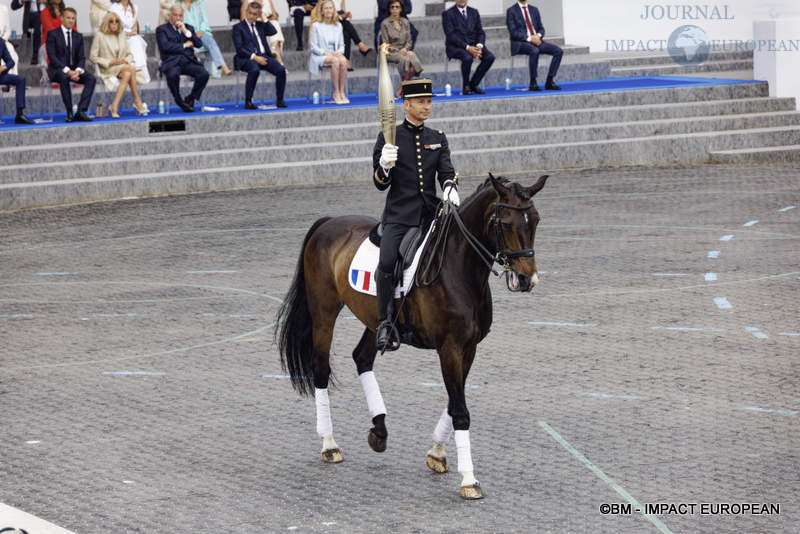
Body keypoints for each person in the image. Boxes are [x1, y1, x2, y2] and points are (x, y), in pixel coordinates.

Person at [371, 78, 459, 351]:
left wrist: (449, 188)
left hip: (430, 214)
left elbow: (446, 172)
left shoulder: (437, 138)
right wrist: (384, 166)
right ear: (406, 104)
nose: (426, 106)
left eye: (429, 101)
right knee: (386, 262)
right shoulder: (389, 137)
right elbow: (379, 184)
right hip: (399, 215)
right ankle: (385, 322)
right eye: (421, 102)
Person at [90, 11, 148, 117]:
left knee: (127, 74)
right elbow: (93, 57)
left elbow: (130, 55)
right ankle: (137, 101)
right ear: (107, 23)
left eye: (117, 22)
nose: (114, 24)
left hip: (122, 67)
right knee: (131, 69)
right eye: (111, 22)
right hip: (108, 68)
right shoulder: (100, 35)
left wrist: (124, 60)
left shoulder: (121, 34)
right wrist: (110, 62)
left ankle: (114, 106)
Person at [233, 2, 287, 108]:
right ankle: (248, 101)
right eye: (250, 13)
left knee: (281, 70)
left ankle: (279, 99)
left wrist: (264, 19)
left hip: (264, 56)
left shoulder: (260, 25)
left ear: (258, 15)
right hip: (247, 58)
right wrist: (255, 57)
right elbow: (240, 49)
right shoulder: (238, 28)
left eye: (255, 14)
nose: (252, 16)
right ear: (246, 12)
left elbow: (273, 31)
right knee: (254, 69)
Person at [45, 7, 95, 122]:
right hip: (57, 70)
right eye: (68, 18)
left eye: (73, 18)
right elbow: (52, 58)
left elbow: (82, 57)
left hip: (74, 70)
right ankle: (69, 112)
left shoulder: (78, 36)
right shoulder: (52, 34)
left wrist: (77, 70)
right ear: (62, 18)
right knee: (64, 77)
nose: (71, 20)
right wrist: (68, 71)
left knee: (91, 78)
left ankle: (81, 111)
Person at [156, 4, 209, 112]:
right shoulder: (162, 29)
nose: (178, 18)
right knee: (172, 75)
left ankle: (191, 98)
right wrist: (184, 45)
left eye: (180, 16)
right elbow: (165, 47)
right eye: (176, 15)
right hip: (172, 62)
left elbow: (198, 44)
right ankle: (179, 101)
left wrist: (186, 32)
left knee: (204, 74)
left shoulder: (188, 28)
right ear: (170, 16)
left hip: (188, 61)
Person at [506, 0, 562, 91]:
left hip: (537, 41)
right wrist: (530, 38)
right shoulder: (511, 11)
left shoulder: (534, 10)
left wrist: (538, 36)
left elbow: (541, 28)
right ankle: (533, 82)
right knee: (534, 50)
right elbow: (513, 33)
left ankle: (549, 81)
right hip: (521, 43)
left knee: (558, 51)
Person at [442, 0, 494, 95]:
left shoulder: (474, 12)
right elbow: (450, 35)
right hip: (456, 46)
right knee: (467, 57)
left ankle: (473, 84)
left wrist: (479, 46)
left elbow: (480, 32)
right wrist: (467, 47)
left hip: (474, 44)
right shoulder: (448, 14)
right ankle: (465, 85)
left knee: (489, 57)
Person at [309, 0, 371, 70]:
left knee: (345, 32)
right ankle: (359, 45)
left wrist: (346, 15)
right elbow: (320, 11)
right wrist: (335, 14)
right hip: (326, 23)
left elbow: (343, 14)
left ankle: (347, 60)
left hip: (337, 23)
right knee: (346, 24)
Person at [178, 0, 232, 76]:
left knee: (210, 40)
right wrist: (191, 33)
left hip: (201, 32)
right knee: (191, 44)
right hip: (187, 34)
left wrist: (202, 30)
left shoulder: (199, 3)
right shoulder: (178, 5)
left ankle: (223, 66)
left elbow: (204, 20)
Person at [308, 0, 348, 104]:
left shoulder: (338, 26)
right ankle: (335, 92)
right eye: (326, 8)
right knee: (335, 61)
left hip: (334, 54)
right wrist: (326, 53)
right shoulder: (316, 25)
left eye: (330, 8)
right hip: (320, 55)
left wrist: (338, 52)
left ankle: (341, 91)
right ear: (321, 11)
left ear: (334, 10)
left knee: (343, 60)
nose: (328, 10)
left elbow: (341, 46)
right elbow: (313, 47)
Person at [381, 0, 422, 91]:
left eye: (397, 7)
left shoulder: (405, 22)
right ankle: (405, 88)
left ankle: (401, 87)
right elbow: (385, 43)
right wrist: (398, 50)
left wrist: (405, 49)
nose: (395, 9)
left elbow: (409, 41)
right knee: (407, 58)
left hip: (404, 50)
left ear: (401, 9)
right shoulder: (385, 23)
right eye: (392, 7)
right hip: (391, 52)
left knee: (412, 57)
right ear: (389, 9)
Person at [109, 0, 151, 84]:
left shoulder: (134, 8)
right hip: (118, 36)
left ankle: (139, 74)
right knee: (134, 41)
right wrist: (128, 33)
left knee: (136, 41)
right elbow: (113, 28)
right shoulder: (113, 8)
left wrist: (133, 32)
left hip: (132, 36)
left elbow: (135, 24)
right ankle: (133, 74)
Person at [0, 37, 35, 123]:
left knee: (20, 80)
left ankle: (20, 114)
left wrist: (4, 67)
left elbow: (11, 61)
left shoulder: (0, 41)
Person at [240, 0, 285, 65]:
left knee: (275, 24)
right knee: (270, 28)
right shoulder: (247, 1)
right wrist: (258, 18)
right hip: (255, 25)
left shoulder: (268, 1)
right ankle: (278, 60)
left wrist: (266, 19)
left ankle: (274, 49)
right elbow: (243, 19)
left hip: (267, 24)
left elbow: (275, 16)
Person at [10, 0, 43, 64]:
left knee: (38, 24)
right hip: (29, 18)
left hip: (43, 16)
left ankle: (35, 57)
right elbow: (13, 5)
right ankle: (24, 56)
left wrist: (46, 1)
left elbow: (59, 4)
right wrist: (21, 1)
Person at [0, 4, 20, 74]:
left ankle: (12, 82)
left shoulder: (3, 9)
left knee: (11, 51)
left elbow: (8, 30)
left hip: (2, 41)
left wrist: (3, 40)